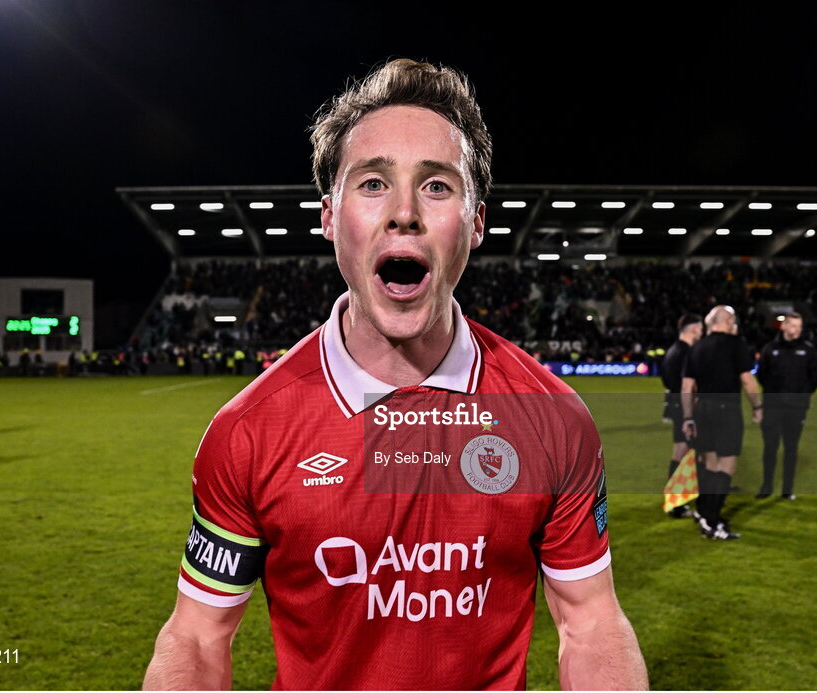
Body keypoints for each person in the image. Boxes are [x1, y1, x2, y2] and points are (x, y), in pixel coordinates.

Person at [144, 59, 647, 691]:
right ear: (330, 217)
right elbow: (196, 635)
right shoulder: (247, 432)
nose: (404, 212)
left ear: (477, 222)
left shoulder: (553, 418)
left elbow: (592, 621)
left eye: (437, 186)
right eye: (373, 183)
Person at [680, 305, 762, 541]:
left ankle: (704, 512)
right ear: (728, 321)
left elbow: (687, 387)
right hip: (727, 410)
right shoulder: (736, 344)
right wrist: (758, 407)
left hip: (703, 410)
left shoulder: (696, 347)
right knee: (726, 467)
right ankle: (712, 521)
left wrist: (688, 417)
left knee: (709, 464)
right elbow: (748, 381)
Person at [755, 312, 817, 500]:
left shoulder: (808, 350)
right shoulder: (770, 348)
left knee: (791, 448)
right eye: (793, 326)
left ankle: (787, 489)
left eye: (799, 327)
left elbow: (815, 378)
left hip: (796, 408)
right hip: (773, 407)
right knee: (770, 447)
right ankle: (766, 486)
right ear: (784, 326)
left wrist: (802, 396)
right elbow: (762, 375)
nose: (797, 330)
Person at [660, 313, 703, 518]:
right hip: (684, 407)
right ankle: (676, 503)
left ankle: (679, 499)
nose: (702, 333)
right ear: (693, 328)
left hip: (676, 405)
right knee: (683, 452)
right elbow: (688, 385)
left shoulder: (673, 350)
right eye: (700, 329)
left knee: (683, 451)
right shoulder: (685, 352)